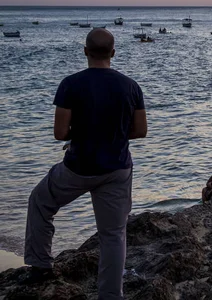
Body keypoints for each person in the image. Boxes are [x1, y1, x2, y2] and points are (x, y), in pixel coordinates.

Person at [24, 28, 147, 300]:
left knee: (40, 202)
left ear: (85, 51)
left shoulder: (71, 84)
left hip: (78, 168)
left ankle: (40, 265)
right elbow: (140, 131)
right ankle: (111, 295)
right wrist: (110, 135)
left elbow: (60, 133)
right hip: (116, 169)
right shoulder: (130, 86)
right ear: (113, 53)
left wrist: (83, 133)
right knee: (113, 234)